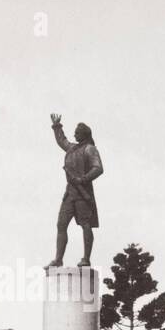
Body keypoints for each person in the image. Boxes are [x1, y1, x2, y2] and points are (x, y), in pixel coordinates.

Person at [47, 114, 104, 268]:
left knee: (85, 225)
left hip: (82, 194)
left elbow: (98, 168)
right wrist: (57, 126)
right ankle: (58, 259)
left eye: (77, 133)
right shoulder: (72, 148)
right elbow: (62, 141)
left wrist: (83, 179)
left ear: (84, 135)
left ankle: (86, 258)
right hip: (70, 193)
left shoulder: (90, 149)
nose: (74, 135)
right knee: (61, 224)